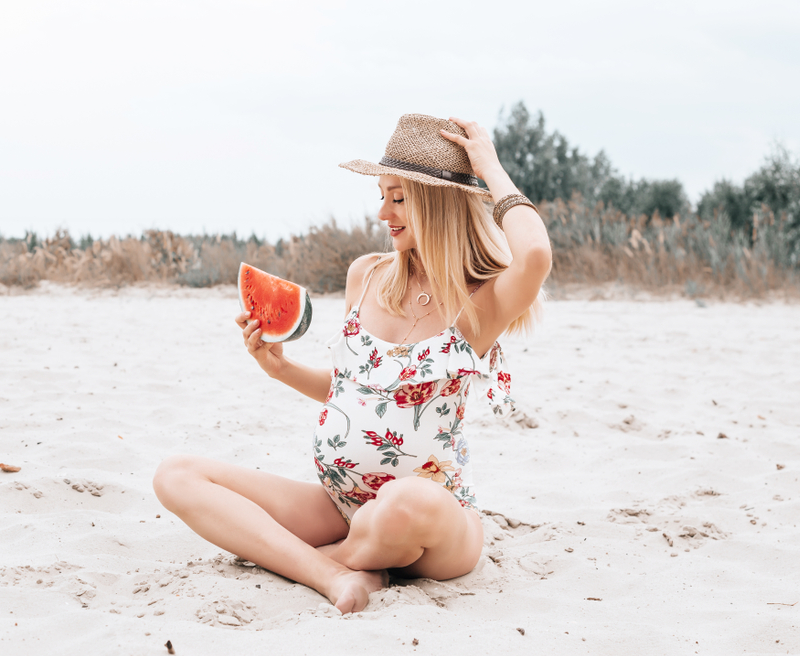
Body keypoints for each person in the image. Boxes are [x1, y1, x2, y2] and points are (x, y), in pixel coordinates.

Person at [153, 114, 552, 614]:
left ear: (439, 202)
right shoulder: (366, 275)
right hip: (341, 505)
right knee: (176, 475)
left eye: (399, 198)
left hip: (432, 523)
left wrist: (487, 167)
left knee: (406, 503)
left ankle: (308, 559)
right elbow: (352, 391)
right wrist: (280, 368)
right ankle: (332, 572)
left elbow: (534, 254)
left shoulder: (479, 303)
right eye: (381, 195)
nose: (383, 211)